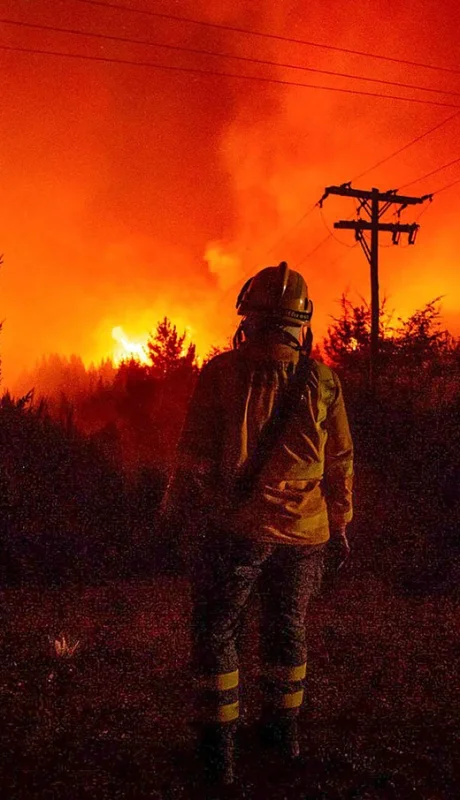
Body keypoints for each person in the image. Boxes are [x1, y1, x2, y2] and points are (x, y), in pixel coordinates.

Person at [162, 261, 353, 786]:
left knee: (218, 632)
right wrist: (340, 523)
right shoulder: (325, 383)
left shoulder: (221, 374)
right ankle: (281, 739)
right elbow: (340, 463)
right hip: (306, 535)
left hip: (236, 531)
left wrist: (179, 508)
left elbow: (194, 456)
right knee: (287, 633)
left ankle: (217, 754)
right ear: (302, 322)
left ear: (248, 316)